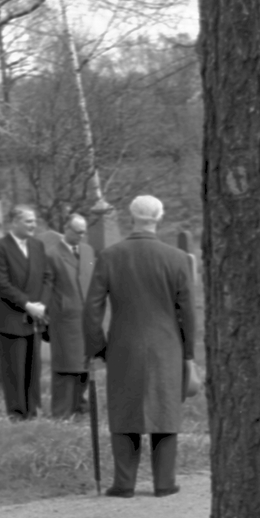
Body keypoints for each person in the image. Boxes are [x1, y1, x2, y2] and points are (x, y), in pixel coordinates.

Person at [83, 194, 196, 498]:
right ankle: (164, 482)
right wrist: (188, 353)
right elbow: (188, 313)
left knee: (124, 409)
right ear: (159, 217)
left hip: (124, 344)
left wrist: (97, 347)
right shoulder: (177, 258)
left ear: (131, 217)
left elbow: (92, 308)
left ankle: (124, 483)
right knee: (165, 409)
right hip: (167, 345)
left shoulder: (110, 256)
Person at [0, 205, 51, 420]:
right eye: (28, 221)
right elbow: (1, 284)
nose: (34, 225)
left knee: (33, 367)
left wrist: (42, 304)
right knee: (15, 368)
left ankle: (33, 411)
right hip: (11, 317)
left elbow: (47, 277)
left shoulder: (37, 245)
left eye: (34, 221)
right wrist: (27, 304)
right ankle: (17, 414)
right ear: (14, 222)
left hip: (35, 316)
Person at [43, 213, 95, 418]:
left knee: (84, 365)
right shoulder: (52, 255)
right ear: (66, 229)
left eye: (84, 232)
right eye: (78, 232)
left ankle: (80, 406)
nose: (81, 236)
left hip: (87, 317)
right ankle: (61, 412)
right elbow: (47, 287)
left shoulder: (88, 251)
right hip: (64, 318)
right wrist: (44, 314)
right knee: (65, 366)